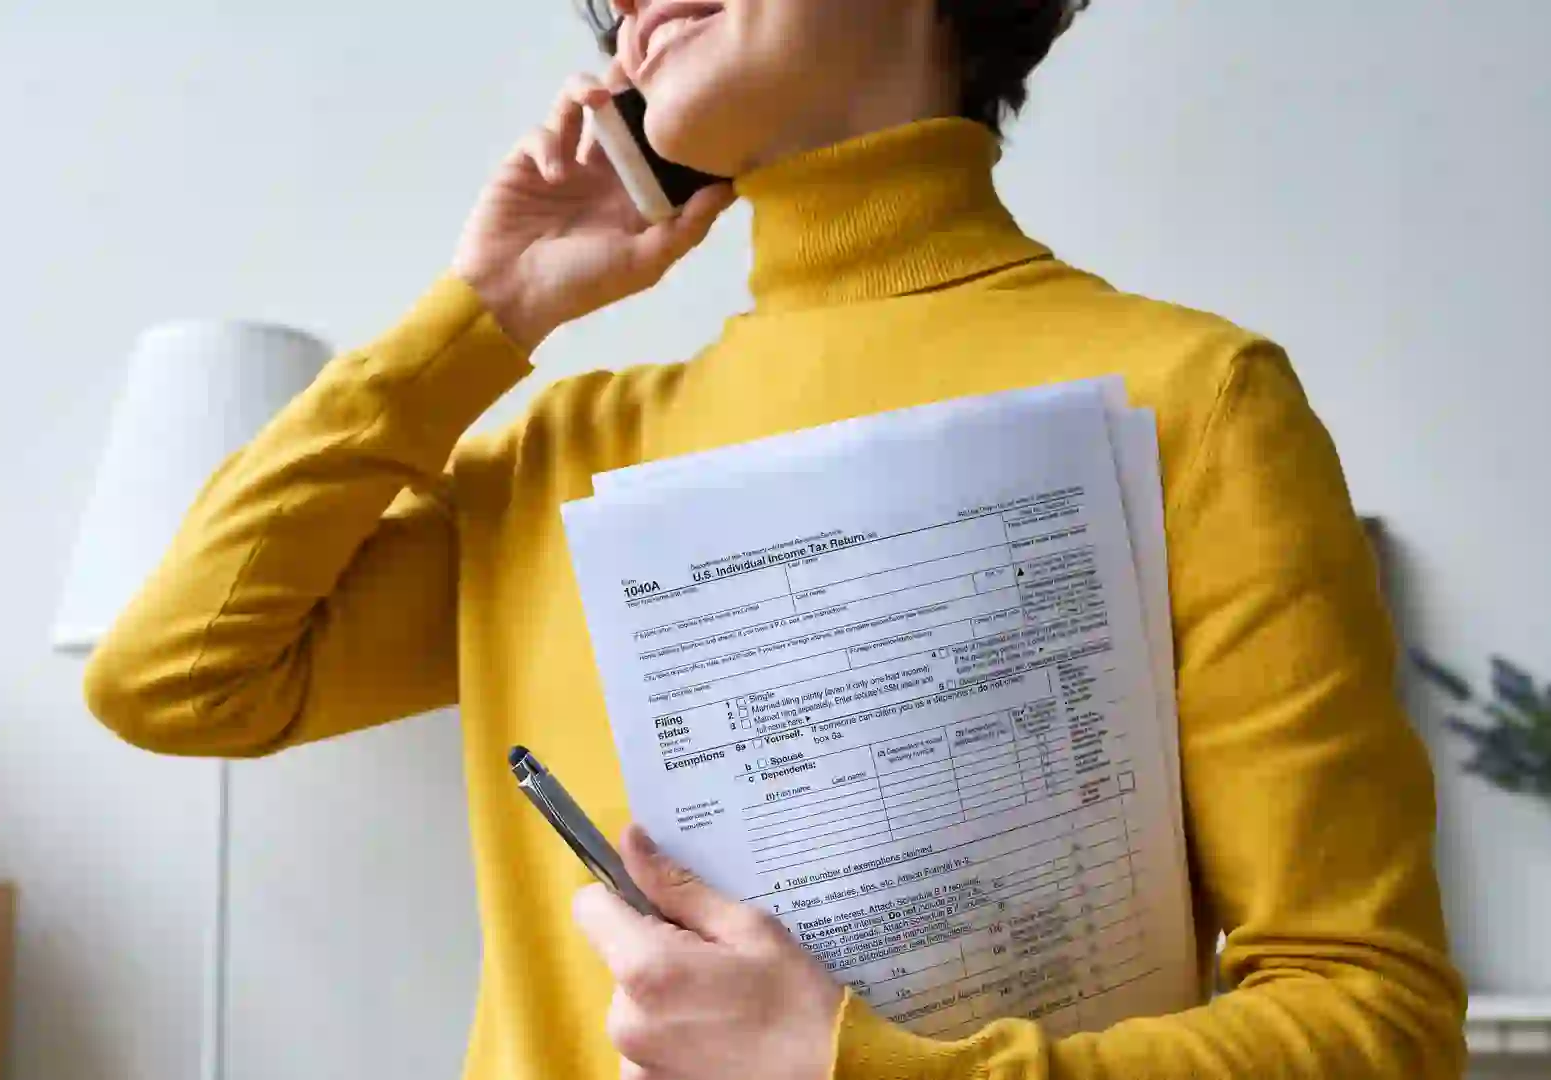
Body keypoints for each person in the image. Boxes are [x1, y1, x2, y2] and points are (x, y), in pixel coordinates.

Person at [83, 0, 1467, 1077]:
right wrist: (482, 312)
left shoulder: (1196, 402)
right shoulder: (562, 454)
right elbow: (175, 675)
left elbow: (1374, 1026)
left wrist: (853, 1071)